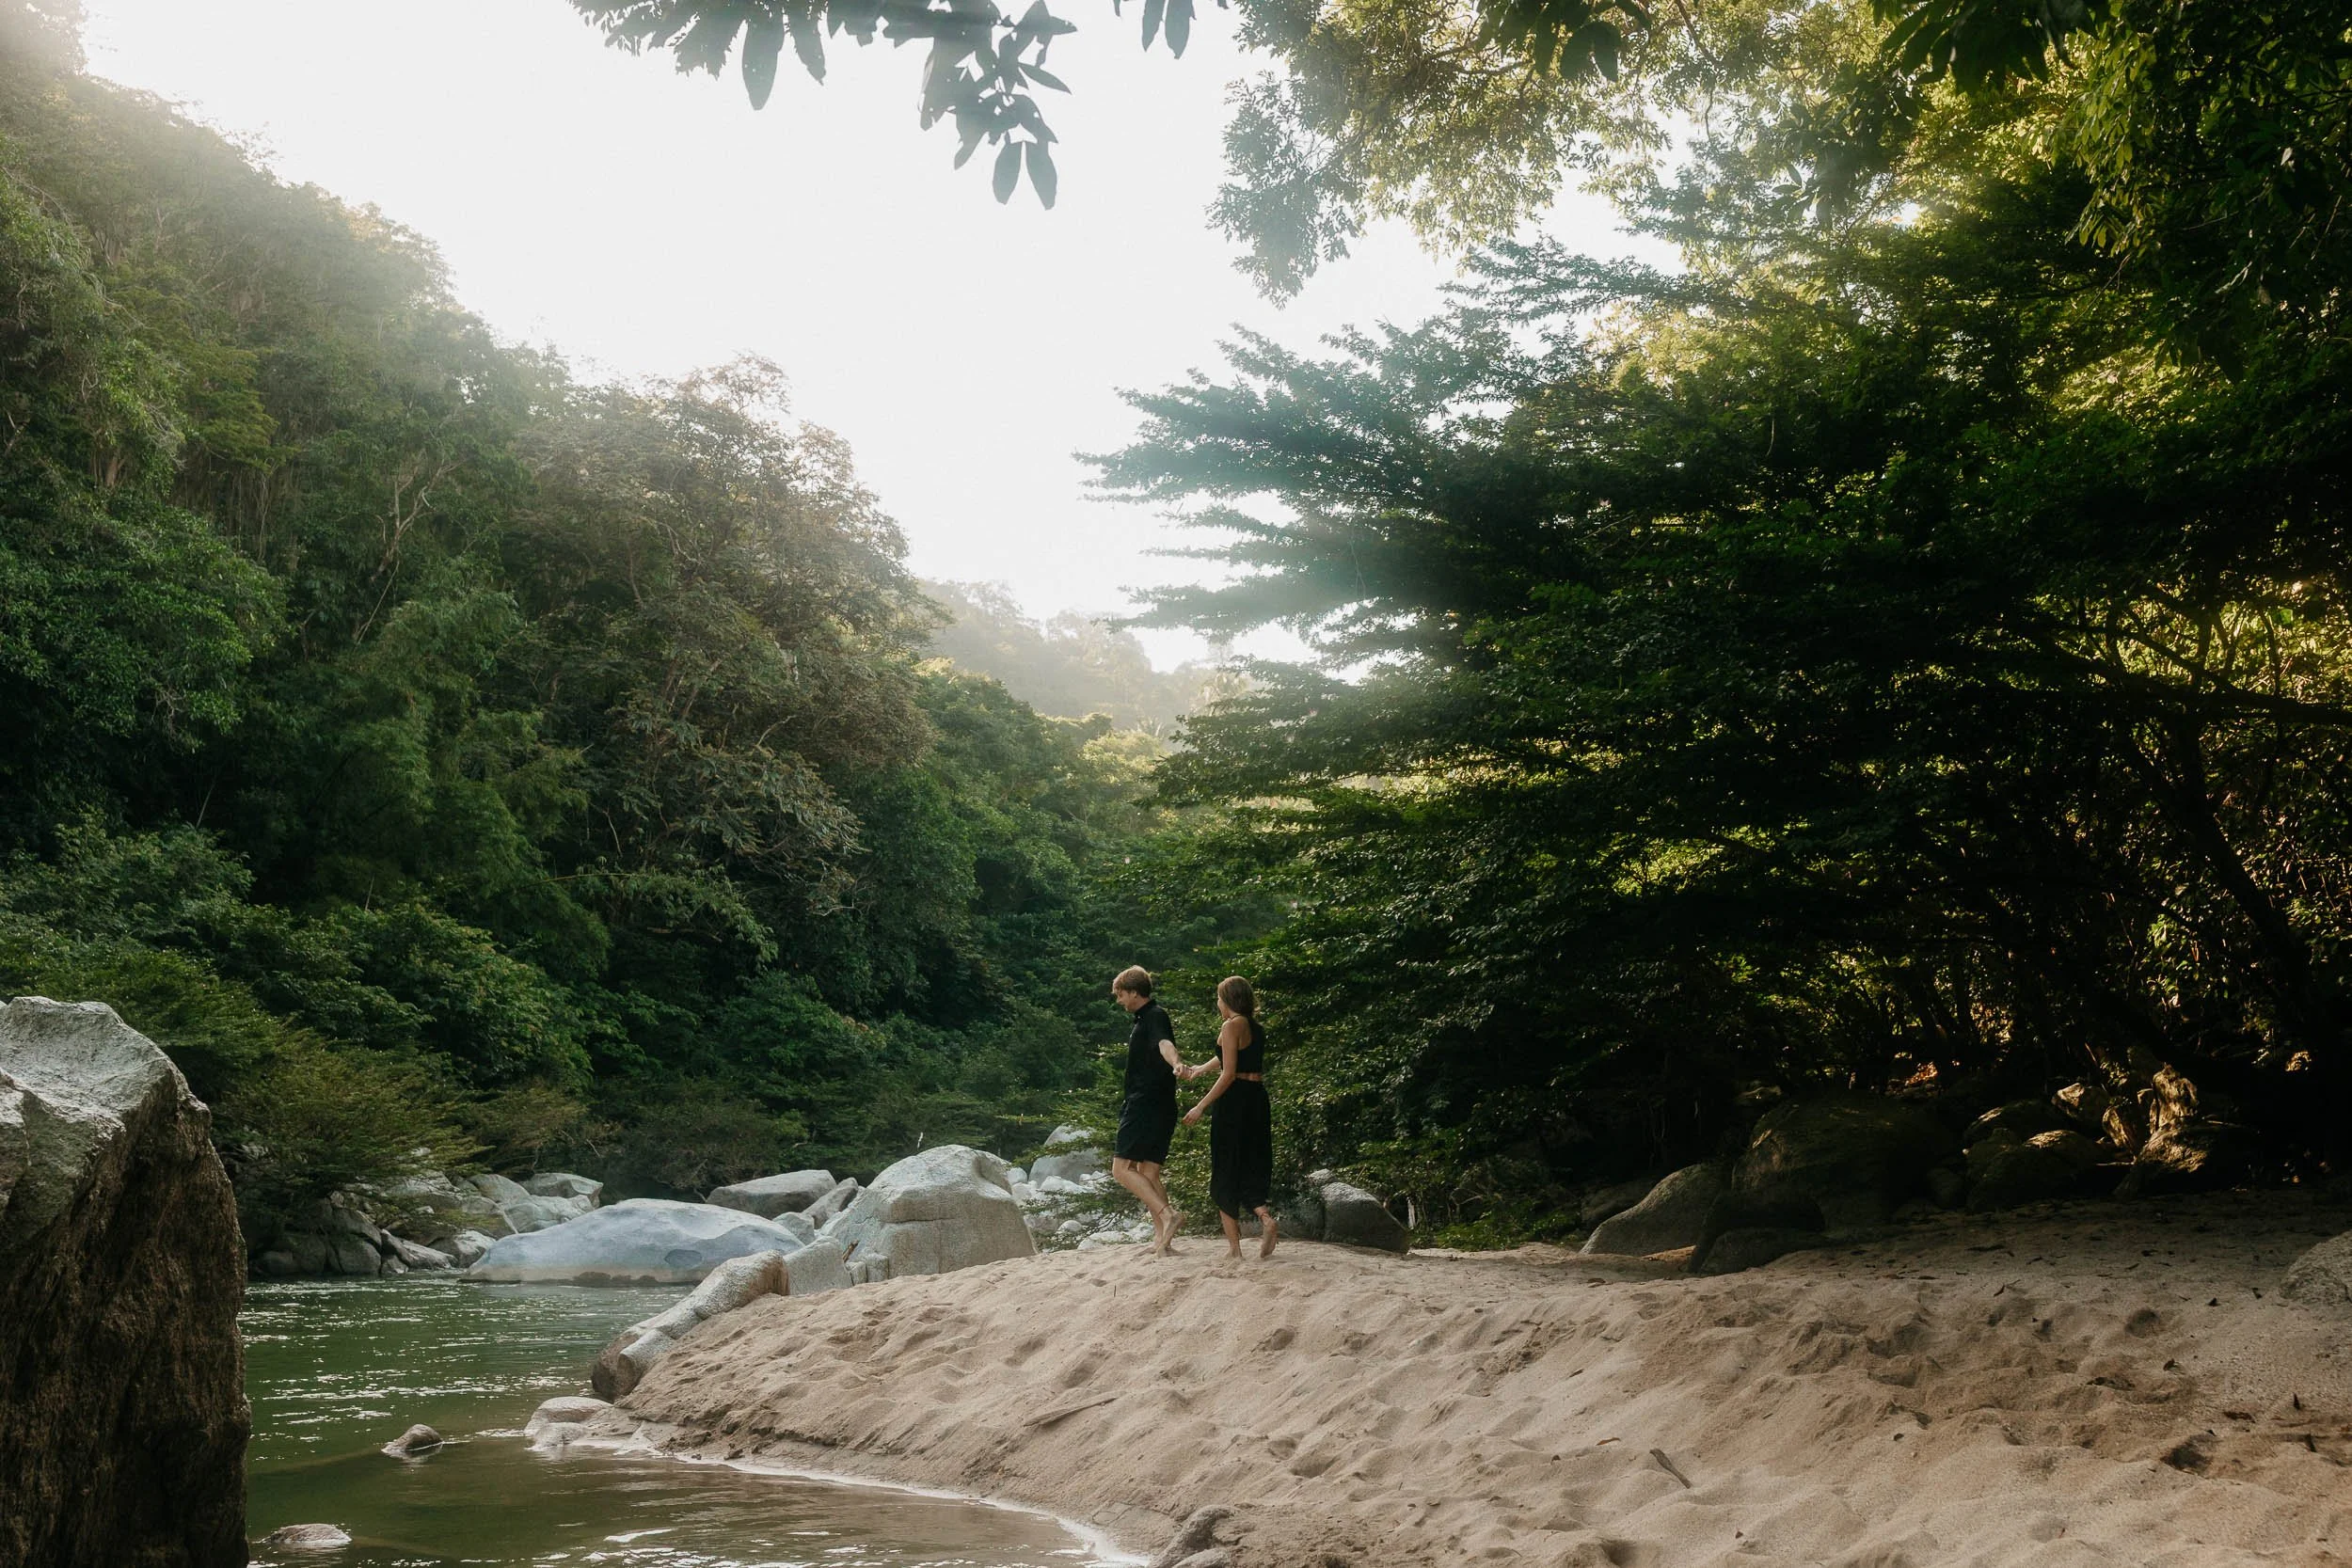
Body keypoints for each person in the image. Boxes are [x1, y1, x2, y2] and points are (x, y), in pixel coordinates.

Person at [1182, 975, 1277, 1259]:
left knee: (1225, 1168)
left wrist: (1201, 1106)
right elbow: (1230, 1057)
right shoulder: (1254, 1027)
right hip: (1256, 1098)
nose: (1217, 1003)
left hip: (1234, 1102)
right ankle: (1265, 1218)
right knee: (1251, 1161)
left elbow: (1229, 1073)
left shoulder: (1230, 1025)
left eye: (1219, 998)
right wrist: (1199, 1068)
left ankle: (1234, 1250)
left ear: (1228, 1000)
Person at [1109, 965, 1184, 1255]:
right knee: (1148, 1173)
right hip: (1161, 1103)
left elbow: (1165, 1044)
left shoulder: (1154, 1016)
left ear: (1133, 992)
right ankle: (1162, 1241)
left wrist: (1176, 1062)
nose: (1119, 1001)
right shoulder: (1147, 1017)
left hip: (1145, 1103)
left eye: (1120, 995)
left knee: (1121, 1169)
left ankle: (1169, 1216)